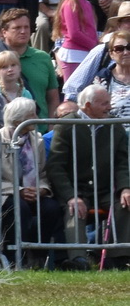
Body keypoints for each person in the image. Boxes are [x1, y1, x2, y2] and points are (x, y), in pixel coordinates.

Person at [46, 85, 130, 267]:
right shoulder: (67, 126)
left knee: (124, 204)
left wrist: (125, 188)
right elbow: (56, 166)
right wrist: (70, 196)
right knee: (74, 210)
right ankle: (79, 259)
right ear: (88, 106)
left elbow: (122, 163)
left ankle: (117, 258)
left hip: (105, 189)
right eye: (104, 103)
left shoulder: (115, 127)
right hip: (77, 189)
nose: (110, 107)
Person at [0, 95, 60, 262]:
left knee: (51, 208)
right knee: (19, 208)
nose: (37, 118)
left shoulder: (37, 140)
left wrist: (42, 189)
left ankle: (39, 255)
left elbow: (43, 173)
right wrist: (19, 191)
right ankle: (14, 257)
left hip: (32, 192)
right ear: (18, 120)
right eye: (32, 115)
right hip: (1, 195)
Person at [53, 0, 102, 81]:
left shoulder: (86, 2)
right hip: (73, 55)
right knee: (73, 94)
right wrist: (95, 46)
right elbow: (74, 33)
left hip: (86, 52)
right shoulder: (70, 3)